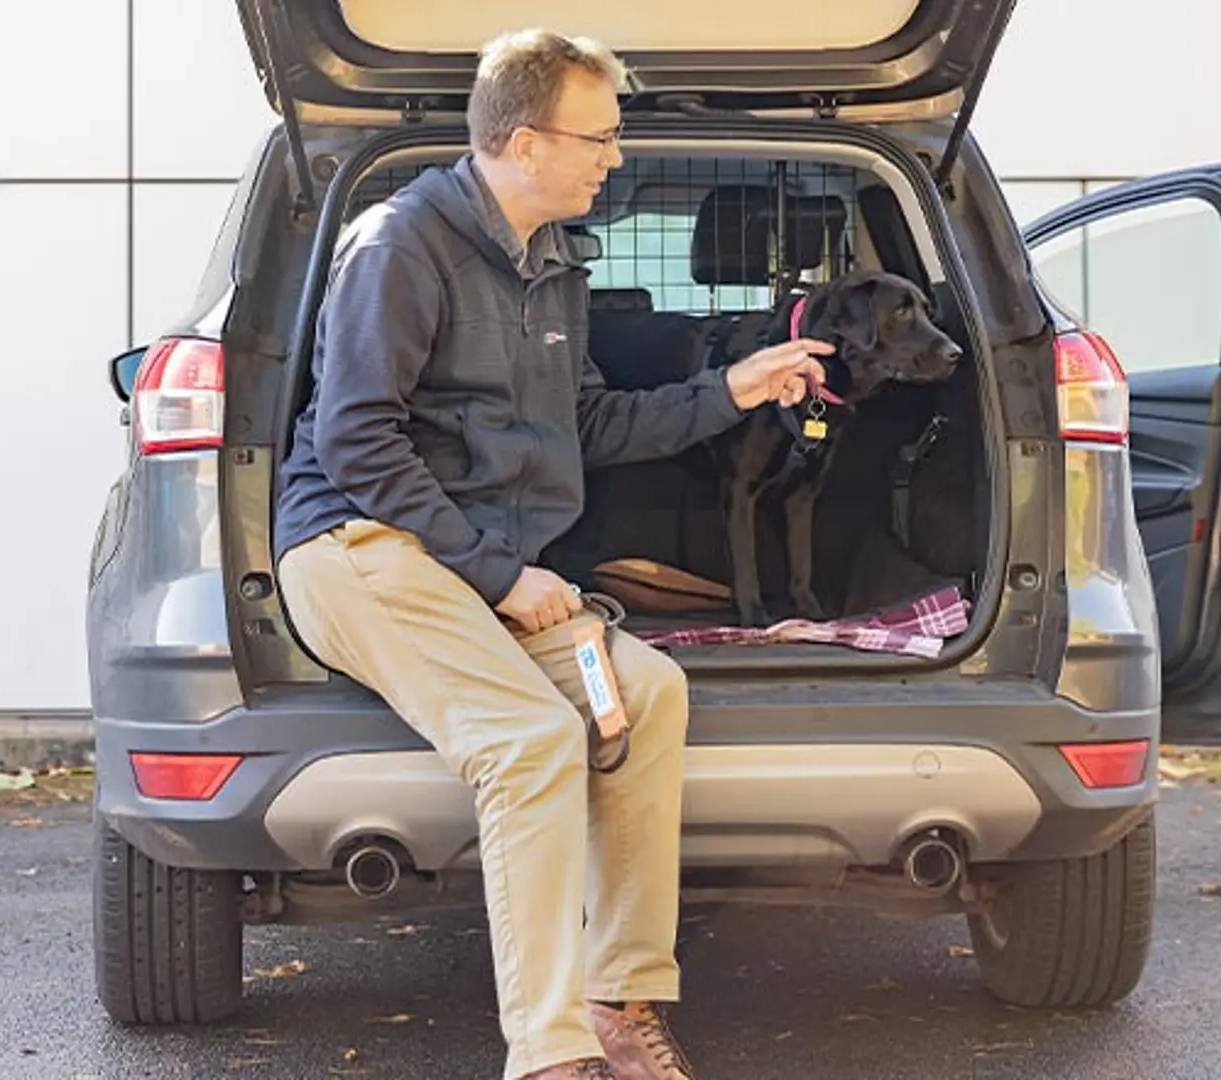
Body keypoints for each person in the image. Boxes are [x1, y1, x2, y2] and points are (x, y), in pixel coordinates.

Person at [272, 27, 832, 1080]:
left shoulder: (556, 267)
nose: (615, 158)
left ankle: (619, 1000)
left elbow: (591, 429)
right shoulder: (400, 245)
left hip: (476, 564)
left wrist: (733, 391)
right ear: (526, 143)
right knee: (530, 741)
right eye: (602, 138)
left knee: (651, 691)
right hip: (363, 546)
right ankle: (549, 1054)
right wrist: (498, 572)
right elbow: (353, 440)